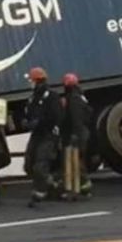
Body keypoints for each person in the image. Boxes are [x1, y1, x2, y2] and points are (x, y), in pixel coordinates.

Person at [23, 67, 63, 208]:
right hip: (37, 134)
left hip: (48, 134)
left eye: (31, 80)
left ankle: (39, 194)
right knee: (29, 164)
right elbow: (29, 113)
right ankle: (54, 185)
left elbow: (56, 116)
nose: (30, 83)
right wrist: (27, 122)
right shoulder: (33, 97)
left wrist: (40, 122)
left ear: (37, 80)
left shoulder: (51, 96)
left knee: (41, 165)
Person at [61, 73, 93, 198]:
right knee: (78, 160)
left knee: (73, 161)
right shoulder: (80, 96)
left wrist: (74, 134)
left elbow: (75, 118)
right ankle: (82, 187)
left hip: (76, 133)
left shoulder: (73, 98)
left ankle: (75, 189)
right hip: (82, 132)